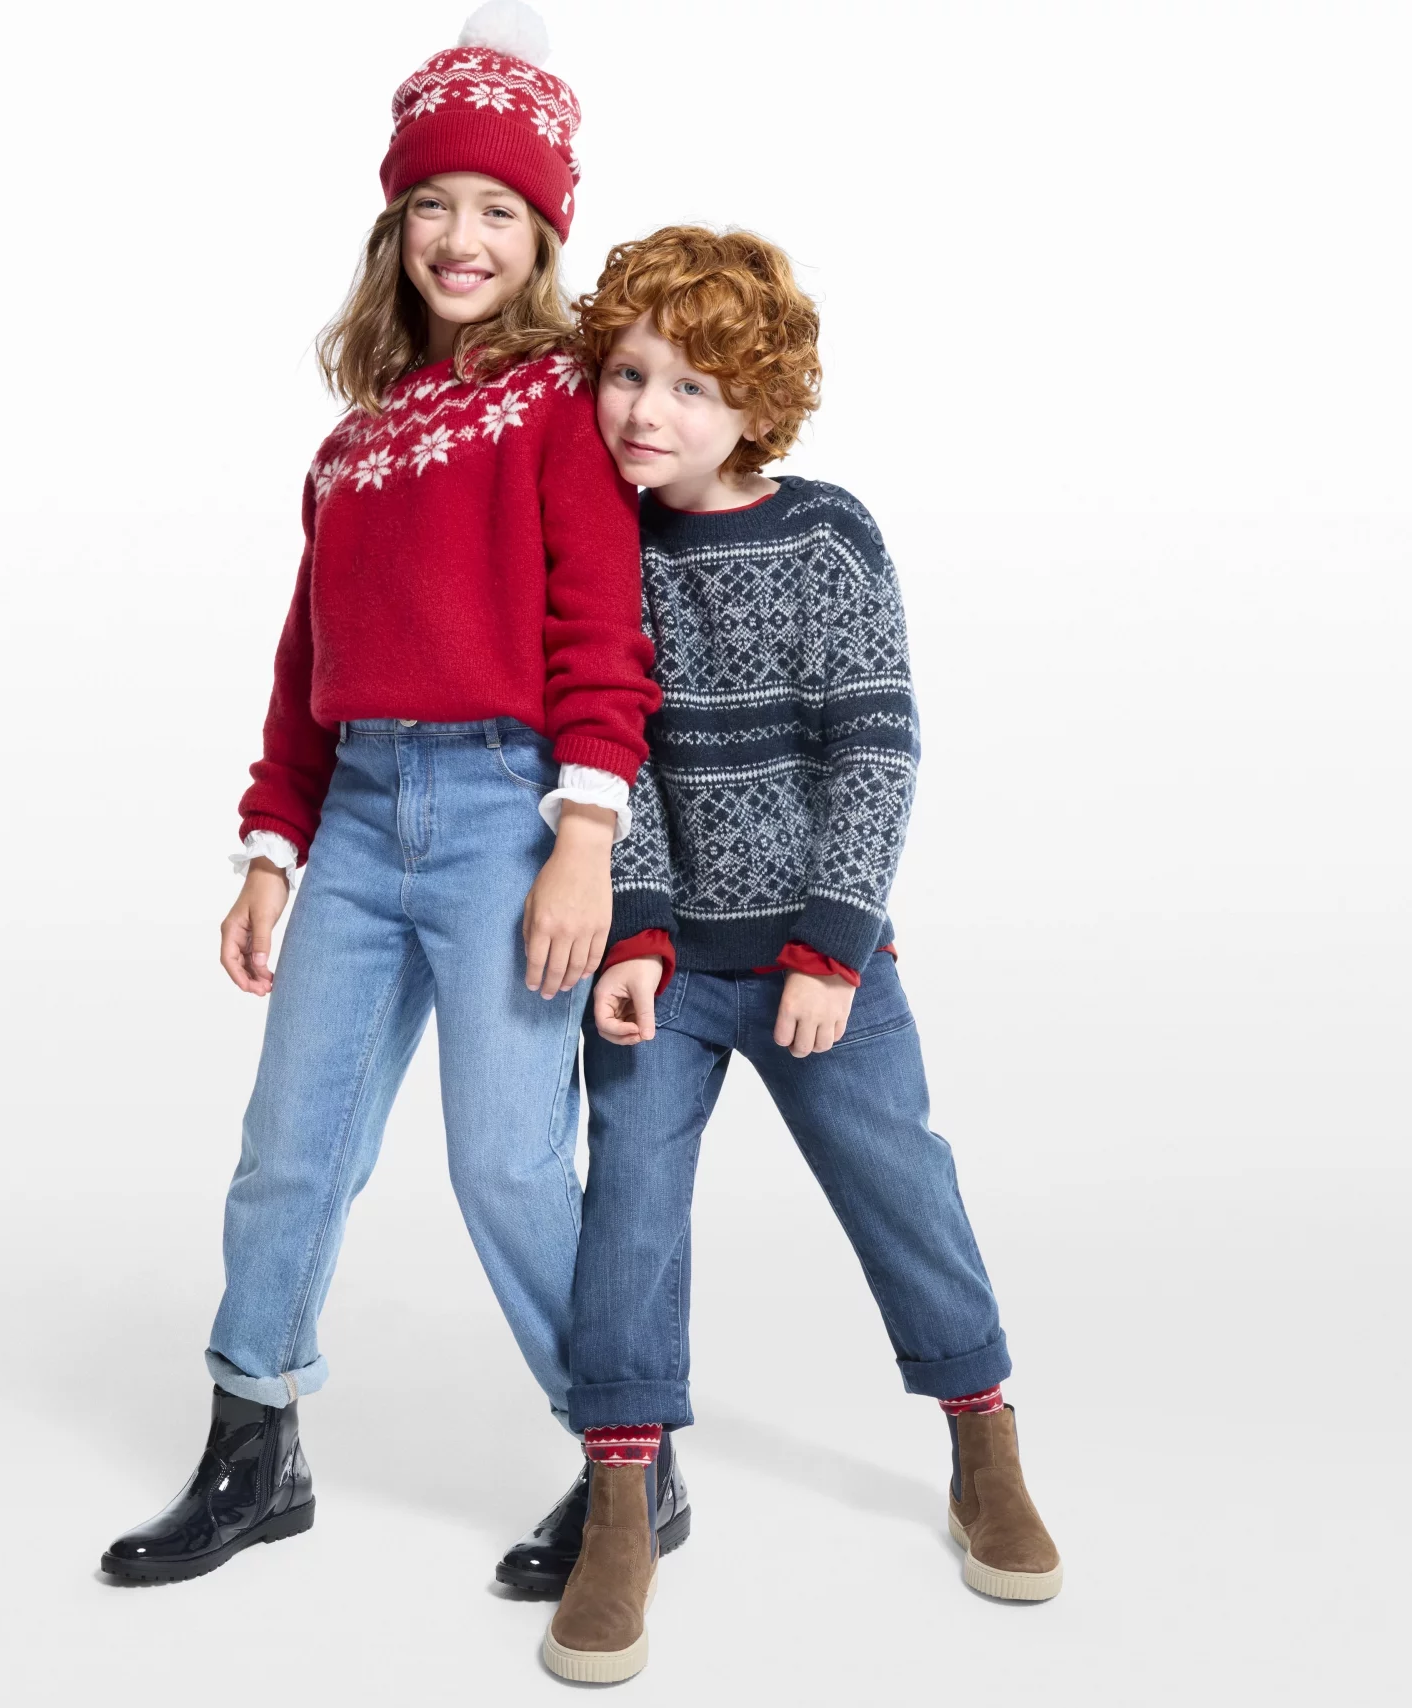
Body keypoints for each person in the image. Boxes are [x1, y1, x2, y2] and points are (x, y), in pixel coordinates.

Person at [98, 4, 671, 1585]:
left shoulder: (559, 406)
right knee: (292, 1147)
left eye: (498, 210)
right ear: (393, 224)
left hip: (504, 812)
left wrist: (583, 838)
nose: (461, 238)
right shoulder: (352, 446)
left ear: (542, 235)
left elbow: (602, 634)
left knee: (507, 1162)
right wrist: (270, 851)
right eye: (432, 203)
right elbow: (309, 660)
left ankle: (631, 1462)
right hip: (357, 816)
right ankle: (253, 1448)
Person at [537, 227, 1061, 1682]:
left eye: (691, 387)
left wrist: (831, 949)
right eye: (627, 374)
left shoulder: (827, 534)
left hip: (817, 959)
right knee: (630, 1211)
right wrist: (637, 931)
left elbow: (873, 745)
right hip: (665, 966)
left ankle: (983, 1440)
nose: (647, 410)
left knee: (901, 1180)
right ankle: (623, 1499)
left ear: (754, 406)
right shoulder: (602, 546)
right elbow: (609, 755)